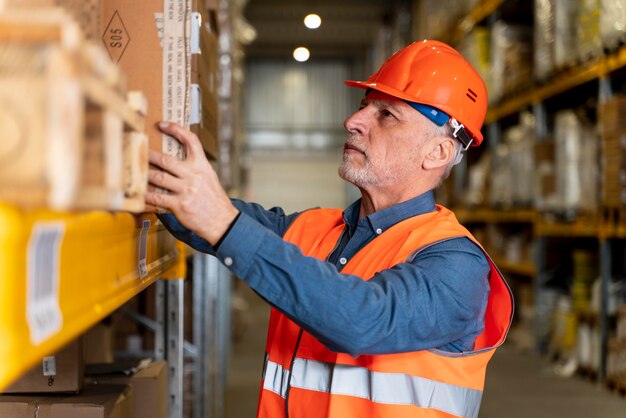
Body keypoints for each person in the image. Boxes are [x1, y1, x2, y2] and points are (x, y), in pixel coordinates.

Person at [147, 39, 514, 418]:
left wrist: (224, 224)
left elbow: (362, 320)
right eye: (362, 108)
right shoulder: (314, 228)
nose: (352, 122)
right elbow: (201, 213)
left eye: (386, 114)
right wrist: (139, 174)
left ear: (436, 152)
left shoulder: (456, 264)